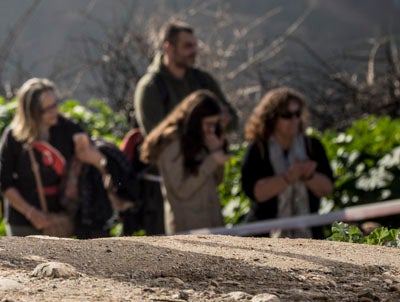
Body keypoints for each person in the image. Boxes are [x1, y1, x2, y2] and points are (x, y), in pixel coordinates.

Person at [132, 21, 238, 235]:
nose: (194, 51)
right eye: (187, 46)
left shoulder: (202, 81)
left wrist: (220, 126)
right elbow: (158, 138)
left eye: (194, 45)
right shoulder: (151, 88)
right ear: (168, 47)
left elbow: (233, 119)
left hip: (205, 177)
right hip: (168, 180)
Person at [0, 78, 109, 237]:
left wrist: (89, 153)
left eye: (55, 105)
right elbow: (4, 182)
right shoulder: (13, 137)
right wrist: (31, 213)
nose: (54, 111)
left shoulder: (69, 130)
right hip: (23, 223)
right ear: (31, 113)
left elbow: (99, 162)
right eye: (47, 109)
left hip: (60, 222)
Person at [240, 87, 334, 238]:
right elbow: (256, 193)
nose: (294, 120)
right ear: (272, 118)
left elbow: (327, 188)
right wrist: (288, 177)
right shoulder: (258, 149)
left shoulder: (313, 146)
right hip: (264, 237)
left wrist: (309, 176)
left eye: (297, 114)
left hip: (309, 236)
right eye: (287, 115)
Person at [139, 90, 228, 235]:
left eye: (215, 124)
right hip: (188, 230)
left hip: (212, 226)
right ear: (195, 119)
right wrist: (211, 161)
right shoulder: (171, 143)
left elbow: (216, 181)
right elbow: (181, 190)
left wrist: (215, 150)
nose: (211, 130)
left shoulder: (199, 138)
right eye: (208, 124)